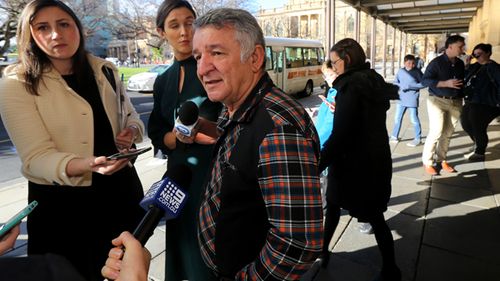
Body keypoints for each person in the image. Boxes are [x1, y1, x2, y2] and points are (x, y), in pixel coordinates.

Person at [103, 8, 324, 281]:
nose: (203, 69)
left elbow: (296, 245)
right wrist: (212, 129)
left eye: (217, 53)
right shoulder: (236, 106)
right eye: (198, 57)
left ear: (254, 58)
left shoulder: (279, 131)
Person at [0, 1, 145, 280]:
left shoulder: (105, 70)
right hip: (64, 210)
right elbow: (36, 157)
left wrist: (131, 132)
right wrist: (87, 164)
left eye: (64, 24)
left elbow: (131, 116)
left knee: (124, 271)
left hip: (120, 195)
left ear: (77, 28)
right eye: (43, 27)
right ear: (29, 34)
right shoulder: (16, 84)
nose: (56, 34)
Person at [147, 0, 221, 280]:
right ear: (161, 32)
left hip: (212, 174)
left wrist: (207, 130)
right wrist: (175, 138)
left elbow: (233, 123)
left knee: (207, 252)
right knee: (181, 249)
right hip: (177, 176)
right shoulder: (162, 80)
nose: (184, 31)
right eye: (174, 25)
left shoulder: (212, 68)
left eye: (190, 22)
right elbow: (157, 131)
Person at [318, 38, 401, 281]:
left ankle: (323, 252)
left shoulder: (349, 86)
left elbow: (341, 135)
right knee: (376, 217)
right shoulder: (371, 81)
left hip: (350, 163)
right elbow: (364, 115)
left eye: (334, 62)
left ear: (347, 59)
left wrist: (319, 163)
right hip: (375, 157)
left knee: (332, 206)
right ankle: (390, 268)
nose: (333, 67)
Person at [421, 35, 466, 175]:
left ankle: (442, 160)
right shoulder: (436, 63)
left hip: (456, 101)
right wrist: (445, 83)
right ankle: (427, 162)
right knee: (436, 131)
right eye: (460, 46)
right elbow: (424, 81)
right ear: (450, 47)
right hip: (438, 100)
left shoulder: (460, 63)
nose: (463, 49)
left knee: (448, 133)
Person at [461, 43, 500, 161]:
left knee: (478, 125)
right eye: (475, 54)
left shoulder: (494, 67)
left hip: (486, 102)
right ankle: (478, 143)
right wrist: (467, 65)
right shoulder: (474, 66)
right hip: (471, 100)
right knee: (465, 124)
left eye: (479, 54)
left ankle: (480, 151)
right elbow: (465, 78)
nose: (477, 57)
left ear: (488, 53)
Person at [390, 54, 425, 147]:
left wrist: (410, 86)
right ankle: (394, 136)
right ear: (404, 62)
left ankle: (418, 138)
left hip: (412, 99)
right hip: (401, 99)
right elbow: (395, 82)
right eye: (409, 63)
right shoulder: (400, 71)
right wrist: (401, 86)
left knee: (414, 119)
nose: (411, 65)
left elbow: (424, 84)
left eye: (413, 63)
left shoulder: (417, 72)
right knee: (397, 118)